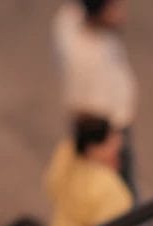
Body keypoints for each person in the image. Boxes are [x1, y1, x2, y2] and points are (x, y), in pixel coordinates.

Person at [53, 0, 139, 200]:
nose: (121, 11)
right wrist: (110, 143)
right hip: (108, 131)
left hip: (108, 131)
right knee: (122, 193)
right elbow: (85, 113)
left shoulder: (68, 19)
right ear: (97, 13)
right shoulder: (86, 63)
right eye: (114, 8)